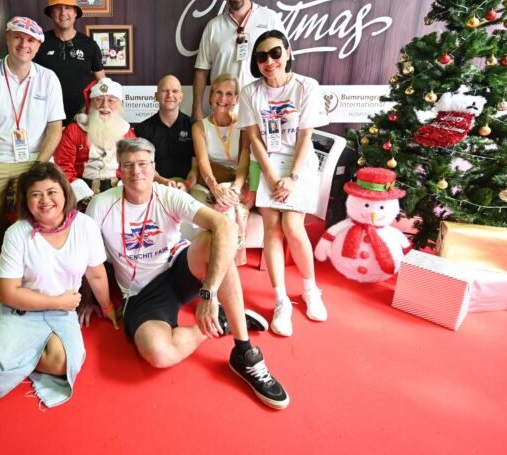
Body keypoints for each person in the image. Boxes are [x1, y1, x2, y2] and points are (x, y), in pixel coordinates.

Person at [85, 138, 289, 409]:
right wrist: (89, 299)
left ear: (153, 167)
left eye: (143, 164)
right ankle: (222, 320)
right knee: (159, 353)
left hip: (181, 268)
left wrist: (209, 292)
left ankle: (244, 352)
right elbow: (86, 257)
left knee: (216, 241)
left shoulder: (168, 194)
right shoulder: (100, 205)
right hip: (141, 292)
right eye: (129, 165)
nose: (137, 172)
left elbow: (225, 227)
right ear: (118, 170)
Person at [0, 163, 116, 409]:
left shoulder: (85, 226)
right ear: (26, 201)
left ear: (65, 193)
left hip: (61, 309)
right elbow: (8, 293)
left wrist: (107, 307)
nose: (45, 200)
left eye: (51, 192)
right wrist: (57, 302)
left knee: (65, 363)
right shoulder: (17, 233)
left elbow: (97, 274)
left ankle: (14, 357)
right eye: (36, 194)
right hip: (21, 306)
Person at [0, 16, 65, 308]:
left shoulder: (48, 78)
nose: (23, 45)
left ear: (38, 45)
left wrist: (39, 167)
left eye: (30, 40)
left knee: (45, 215)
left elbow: (55, 129)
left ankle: (35, 275)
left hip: (33, 159)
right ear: (7, 39)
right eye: (18, 37)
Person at [237, 30, 329, 337]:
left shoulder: (306, 86)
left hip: (299, 164)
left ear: (288, 52)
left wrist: (292, 177)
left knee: (292, 225)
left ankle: (310, 290)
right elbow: (253, 139)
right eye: (261, 56)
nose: (269, 61)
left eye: (275, 53)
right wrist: (271, 176)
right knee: (272, 229)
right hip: (267, 164)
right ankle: (281, 301)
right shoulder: (250, 92)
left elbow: (306, 136)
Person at [192, 0, 287, 120]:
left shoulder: (270, 18)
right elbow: (201, 70)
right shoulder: (213, 26)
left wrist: (282, 103)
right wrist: (197, 109)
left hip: (262, 108)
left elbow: (284, 64)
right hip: (223, 108)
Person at [190, 73, 254, 266]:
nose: (222, 98)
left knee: (228, 204)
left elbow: (244, 161)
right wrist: (214, 186)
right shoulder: (199, 127)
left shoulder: (244, 125)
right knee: (226, 203)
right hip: (212, 180)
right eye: (218, 92)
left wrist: (235, 188)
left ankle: (222, 260)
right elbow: (203, 162)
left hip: (239, 182)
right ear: (210, 96)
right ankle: (230, 259)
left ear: (236, 99)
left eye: (229, 94)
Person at [54, 78, 136, 202]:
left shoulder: (127, 133)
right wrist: (82, 193)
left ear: (119, 104)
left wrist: (122, 190)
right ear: (91, 103)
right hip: (81, 192)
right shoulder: (74, 130)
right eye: (99, 100)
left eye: (111, 101)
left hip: (118, 192)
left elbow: (133, 165)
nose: (105, 106)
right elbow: (62, 166)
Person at [35, 0, 106, 122]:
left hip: (82, 116)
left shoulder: (89, 44)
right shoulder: (39, 42)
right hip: (46, 114)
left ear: (75, 13)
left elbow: (102, 81)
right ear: (51, 13)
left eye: (68, 8)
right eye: (58, 8)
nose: (63, 13)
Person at [134, 75, 197, 190]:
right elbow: (144, 165)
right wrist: (162, 181)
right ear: (156, 96)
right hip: (154, 184)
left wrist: (187, 185)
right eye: (165, 91)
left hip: (188, 185)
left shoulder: (194, 126)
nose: (170, 95)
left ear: (181, 97)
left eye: (175, 91)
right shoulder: (143, 129)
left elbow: (196, 167)